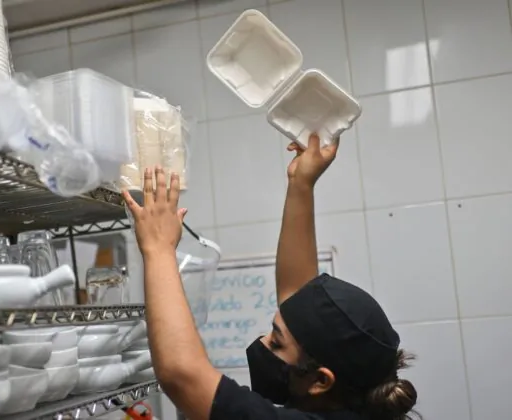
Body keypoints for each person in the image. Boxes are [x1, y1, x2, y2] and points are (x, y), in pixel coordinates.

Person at [121, 133, 420, 420]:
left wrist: (159, 248)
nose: (263, 342)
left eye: (277, 343)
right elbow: (296, 294)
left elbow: (182, 376)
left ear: (320, 380)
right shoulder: (350, 401)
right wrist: (302, 183)